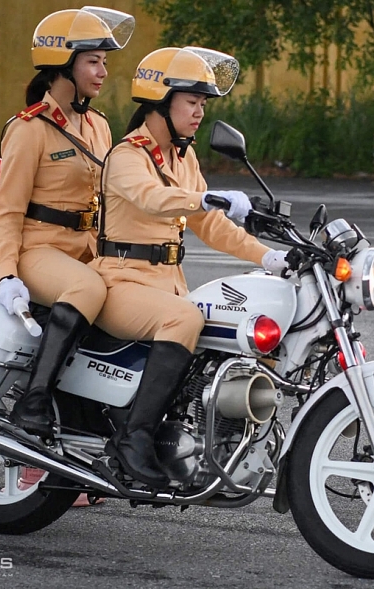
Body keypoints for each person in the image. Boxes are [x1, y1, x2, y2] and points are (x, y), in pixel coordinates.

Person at [91, 47, 288, 487]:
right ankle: (131, 440)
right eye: (192, 103)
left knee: (222, 322)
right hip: (120, 281)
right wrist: (205, 197)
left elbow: (213, 227)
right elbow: (153, 200)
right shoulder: (128, 155)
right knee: (186, 317)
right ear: (162, 101)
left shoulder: (183, 157)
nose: (199, 112)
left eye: (203, 105)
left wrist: (270, 257)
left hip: (167, 284)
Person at [0, 7, 135, 439]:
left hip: (87, 248)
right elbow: (8, 210)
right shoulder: (29, 129)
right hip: (39, 251)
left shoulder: (99, 126)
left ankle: (98, 428)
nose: (104, 71)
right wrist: (7, 274)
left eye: (105, 61)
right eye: (93, 60)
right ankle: (33, 399)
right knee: (88, 289)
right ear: (63, 66)